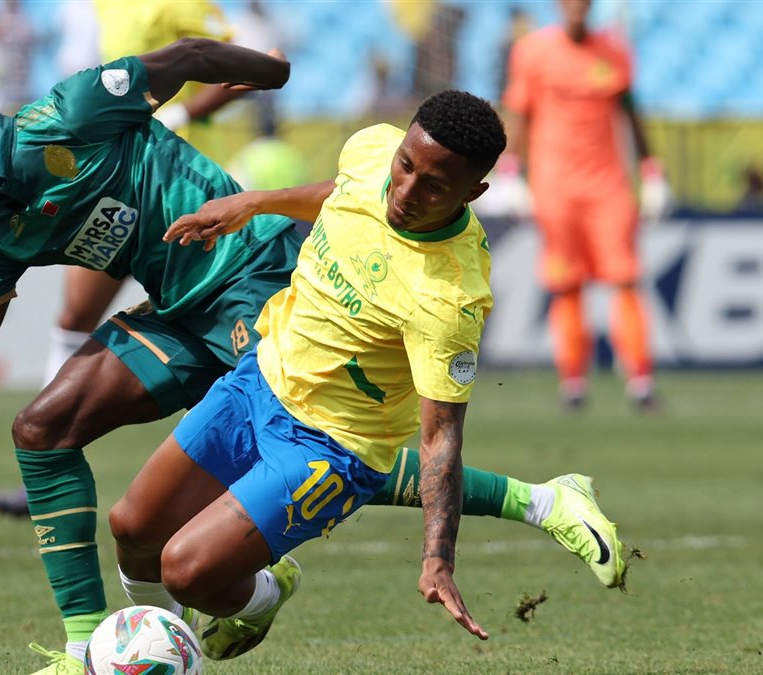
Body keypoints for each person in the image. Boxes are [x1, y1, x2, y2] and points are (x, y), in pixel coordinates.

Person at [0, 41, 622, 675]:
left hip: (252, 275)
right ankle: (90, 648)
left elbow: (187, 59)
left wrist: (272, 73)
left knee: (317, 441)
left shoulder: (72, 112)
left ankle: (531, 500)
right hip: (178, 311)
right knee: (42, 429)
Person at [110, 90, 623, 661]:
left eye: (434, 187)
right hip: (258, 380)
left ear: (472, 194)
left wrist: (437, 558)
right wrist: (254, 204)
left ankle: (261, 597)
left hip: (328, 447)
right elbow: (342, 194)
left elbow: (440, 438)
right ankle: (156, 646)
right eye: (406, 166)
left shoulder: (449, 297)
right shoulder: (373, 148)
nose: (405, 192)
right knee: (132, 528)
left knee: (185, 571)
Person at [0, 0, 260, 518]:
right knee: (74, 316)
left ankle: (238, 487)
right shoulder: (94, 10)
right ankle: (47, 457)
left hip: (183, 189)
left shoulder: (175, 4)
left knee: (220, 339)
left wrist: (179, 113)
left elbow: (245, 62)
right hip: (117, 185)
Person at [499, 0, 671, 410]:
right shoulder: (532, 52)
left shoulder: (614, 51)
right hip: (555, 185)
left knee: (625, 277)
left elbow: (631, 113)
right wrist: (510, 169)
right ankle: (573, 381)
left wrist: (650, 170)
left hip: (608, 185)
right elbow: (521, 114)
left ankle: (640, 379)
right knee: (567, 282)